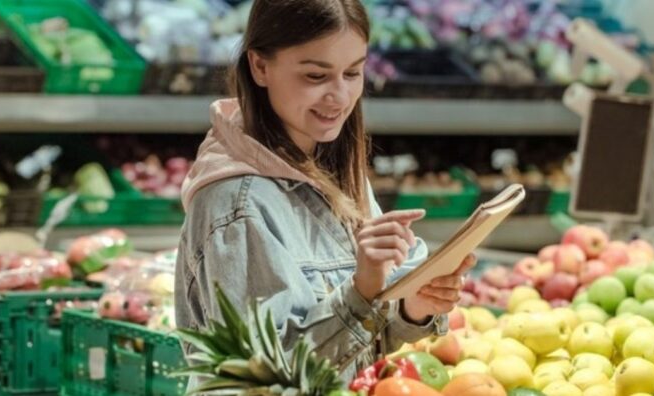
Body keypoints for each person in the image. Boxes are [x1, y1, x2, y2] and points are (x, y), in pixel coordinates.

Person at [174, 0, 475, 382]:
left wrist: (414, 306)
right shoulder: (239, 202)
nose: (340, 96)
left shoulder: (332, 167)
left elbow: (359, 348)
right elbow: (262, 379)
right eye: (316, 76)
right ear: (260, 66)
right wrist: (362, 291)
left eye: (353, 73)